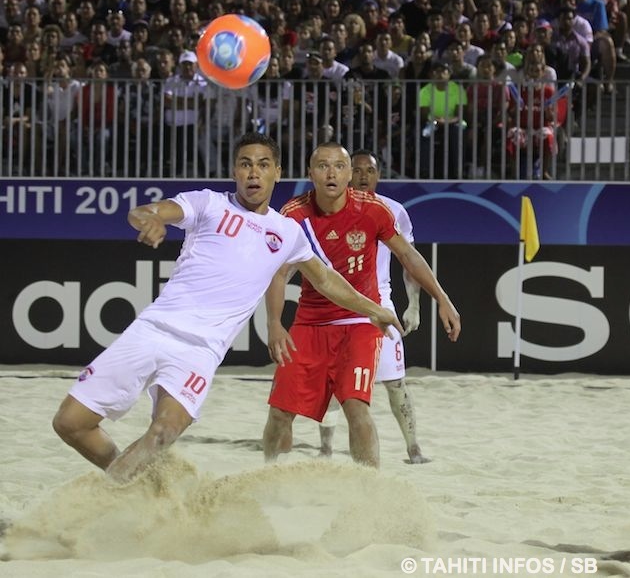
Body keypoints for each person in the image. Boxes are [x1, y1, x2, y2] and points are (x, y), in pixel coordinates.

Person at [51, 133, 402, 483]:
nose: (254, 173)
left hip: (200, 351)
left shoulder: (286, 232)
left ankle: (108, 495)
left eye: (263, 165)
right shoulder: (208, 204)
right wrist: (150, 218)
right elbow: (147, 211)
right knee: (69, 423)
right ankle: (134, 485)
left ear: (277, 172)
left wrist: (374, 308)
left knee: (162, 432)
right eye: (246, 164)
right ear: (234, 171)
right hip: (152, 330)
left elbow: (325, 280)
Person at [262, 143, 461, 468]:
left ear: (348, 174)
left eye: (339, 166)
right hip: (310, 323)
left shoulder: (374, 209)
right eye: (323, 166)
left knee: (357, 405)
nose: (331, 173)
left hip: (362, 320)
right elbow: (279, 272)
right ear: (310, 173)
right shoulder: (293, 215)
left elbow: (408, 256)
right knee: (280, 411)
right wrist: (273, 323)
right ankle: (271, 477)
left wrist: (443, 298)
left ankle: (370, 488)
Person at [316, 149, 440, 464]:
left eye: (368, 170)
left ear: (378, 175)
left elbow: (408, 260)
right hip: (336, 306)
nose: (362, 176)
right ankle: (326, 449)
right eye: (356, 170)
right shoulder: (327, 208)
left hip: (379, 306)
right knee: (332, 386)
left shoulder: (393, 211)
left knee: (396, 382)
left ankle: (414, 449)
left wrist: (415, 305)